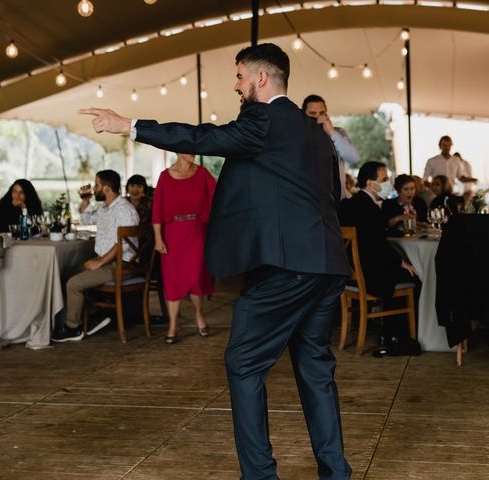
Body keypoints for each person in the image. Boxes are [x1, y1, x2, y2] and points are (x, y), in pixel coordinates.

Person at [81, 43, 352, 480]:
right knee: (315, 368)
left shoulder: (262, 118)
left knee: (243, 363)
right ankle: (336, 473)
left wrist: (129, 125)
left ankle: (260, 476)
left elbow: (205, 137)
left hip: (286, 268)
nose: (237, 85)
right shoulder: (315, 133)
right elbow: (329, 196)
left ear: (262, 80)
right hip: (326, 265)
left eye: (241, 77)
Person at [52, 170, 139, 342]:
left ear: (106, 189)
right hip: (107, 261)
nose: (94, 188)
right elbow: (86, 220)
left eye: (96, 185)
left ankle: (73, 328)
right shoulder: (104, 208)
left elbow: (120, 244)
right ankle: (94, 316)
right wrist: (85, 200)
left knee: (74, 283)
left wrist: (100, 262)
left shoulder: (124, 210)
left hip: (121, 264)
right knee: (64, 275)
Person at [338, 162, 419, 345]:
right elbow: (376, 245)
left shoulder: (350, 204)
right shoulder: (369, 208)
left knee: (400, 268)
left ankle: (391, 331)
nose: (388, 184)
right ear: (370, 183)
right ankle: (397, 333)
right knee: (414, 275)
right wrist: (400, 262)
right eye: (384, 180)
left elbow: (373, 239)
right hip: (371, 274)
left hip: (351, 272)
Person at [152, 153, 216, 344]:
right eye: (188, 150)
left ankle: (198, 313)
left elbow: (219, 197)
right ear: (178, 152)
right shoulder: (165, 176)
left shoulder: (203, 174)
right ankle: (173, 324)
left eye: (194, 150)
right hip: (172, 234)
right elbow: (157, 209)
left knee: (196, 277)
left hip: (196, 232)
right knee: (173, 280)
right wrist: (158, 238)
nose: (193, 154)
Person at [303, 94, 361, 200]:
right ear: (303, 114)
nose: (318, 117)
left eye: (322, 113)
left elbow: (354, 158)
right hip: (311, 200)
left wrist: (332, 132)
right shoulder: (299, 135)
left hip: (339, 200)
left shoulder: (338, 132)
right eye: (312, 114)